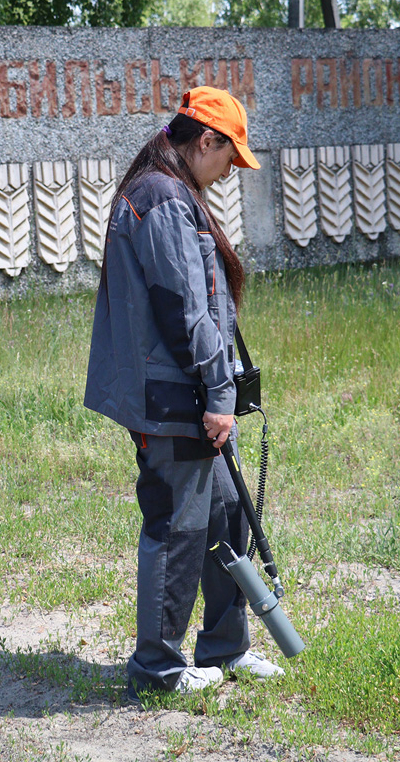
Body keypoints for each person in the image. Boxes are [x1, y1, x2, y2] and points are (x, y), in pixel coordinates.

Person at [84, 86, 284, 699]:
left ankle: (224, 648)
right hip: (173, 399)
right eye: (230, 157)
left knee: (223, 513)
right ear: (207, 141)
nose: (230, 172)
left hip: (180, 392)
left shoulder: (165, 190)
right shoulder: (164, 199)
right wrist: (219, 394)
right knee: (177, 526)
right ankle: (158, 666)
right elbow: (185, 311)